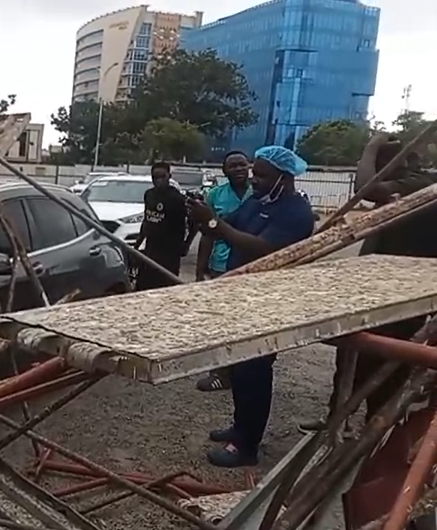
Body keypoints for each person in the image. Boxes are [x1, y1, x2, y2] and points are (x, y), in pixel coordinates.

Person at [187, 145, 315, 468]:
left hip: (267, 302)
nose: (254, 179)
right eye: (255, 173)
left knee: (255, 371)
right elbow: (225, 224)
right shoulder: (257, 203)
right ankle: (240, 427)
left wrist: (216, 226)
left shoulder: (296, 212)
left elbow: (262, 248)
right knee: (239, 369)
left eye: (261, 174)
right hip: (241, 298)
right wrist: (202, 216)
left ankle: (247, 446)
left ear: (283, 178)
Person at [299, 134, 437, 433]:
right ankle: (338, 420)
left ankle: (375, 430)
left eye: (379, 164)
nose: (375, 170)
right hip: (372, 289)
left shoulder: (420, 185)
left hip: (400, 293)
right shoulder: (404, 190)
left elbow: (367, 188)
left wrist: (370, 145)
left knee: (387, 364)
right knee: (351, 356)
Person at [194, 150, 253, 393]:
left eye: (242, 164)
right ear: (224, 171)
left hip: (253, 266)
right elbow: (207, 233)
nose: (239, 169)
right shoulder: (215, 195)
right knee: (221, 321)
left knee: (248, 322)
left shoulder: (259, 194)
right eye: (233, 166)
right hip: (222, 266)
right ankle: (219, 372)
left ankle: (244, 371)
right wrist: (200, 269)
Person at [134, 162, 192, 291]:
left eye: (162, 177)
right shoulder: (149, 195)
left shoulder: (178, 199)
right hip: (150, 249)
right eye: (155, 177)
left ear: (169, 176)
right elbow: (147, 219)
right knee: (143, 287)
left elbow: (194, 222)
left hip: (170, 253)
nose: (158, 181)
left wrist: (186, 244)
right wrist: (137, 245)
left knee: (166, 288)